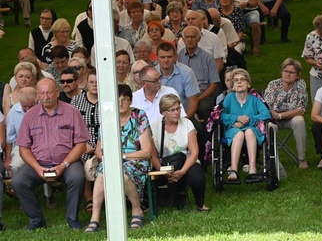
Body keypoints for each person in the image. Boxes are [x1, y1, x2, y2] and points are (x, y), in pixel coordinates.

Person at [12, 78, 90, 230]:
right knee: (18, 182)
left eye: (49, 92)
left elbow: (81, 144)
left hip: (68, 162)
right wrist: (37, 168)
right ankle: (36, 219)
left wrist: (64, 164)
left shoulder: (72, 112)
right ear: (38, 95)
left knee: (77, 177)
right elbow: (23, 148)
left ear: (57, 93)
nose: (46, 96)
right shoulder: (30, 116)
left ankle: (72, 218)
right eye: (42, 93)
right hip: (38, 163)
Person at [85, 84, 152, 232]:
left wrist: (123, 156)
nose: (121, 103)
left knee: (123, 173)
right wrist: (110, 158)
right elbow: (98, 151)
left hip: (136, 159)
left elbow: (147, 151)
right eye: (117, 100)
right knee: (102, 173)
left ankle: (137, 209)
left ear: (130, 101)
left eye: (125, 99)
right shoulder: (108, 118)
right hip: (112, 160)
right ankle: (95, 218)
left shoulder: (139, 116)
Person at [150, 93, 209, 213]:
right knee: (149, 177)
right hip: (164, 164)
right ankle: (154, 204)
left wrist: (182, 171)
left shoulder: (187, 124)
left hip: (186, 162)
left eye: (178, 109)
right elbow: (153, 156)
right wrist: (164, 172)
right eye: (172, 110)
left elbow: (194, 153)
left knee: (197, 177)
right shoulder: (154, 127)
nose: (177, 112)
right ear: (163, 112)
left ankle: (200, 203)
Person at [221, 69, 272, 182]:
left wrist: (250, 120)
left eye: (242, 79)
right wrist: (236, 119)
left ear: (248, 83)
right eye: (236, 80)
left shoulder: (254, 99)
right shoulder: (229, 98)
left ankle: (252, 168)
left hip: (251, 129)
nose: (239, 82)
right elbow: (220, 115)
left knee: (248, 131)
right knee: (239, 134)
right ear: (233, 86)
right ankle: (233, 170)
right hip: (234, 129)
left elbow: (266, 113)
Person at [264, 59, 309, 170]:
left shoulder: (301, 85)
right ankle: (273, 160)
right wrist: (276, 116)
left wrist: (280, 115)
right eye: (285, 71)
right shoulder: (273, 84)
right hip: (273, 120)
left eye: (291, 72)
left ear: (298, 75)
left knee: (299, 120)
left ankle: (302, 159)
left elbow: (301, 110)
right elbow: (267, 107)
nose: (287, 74)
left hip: (290, 119)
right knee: (270, 127)